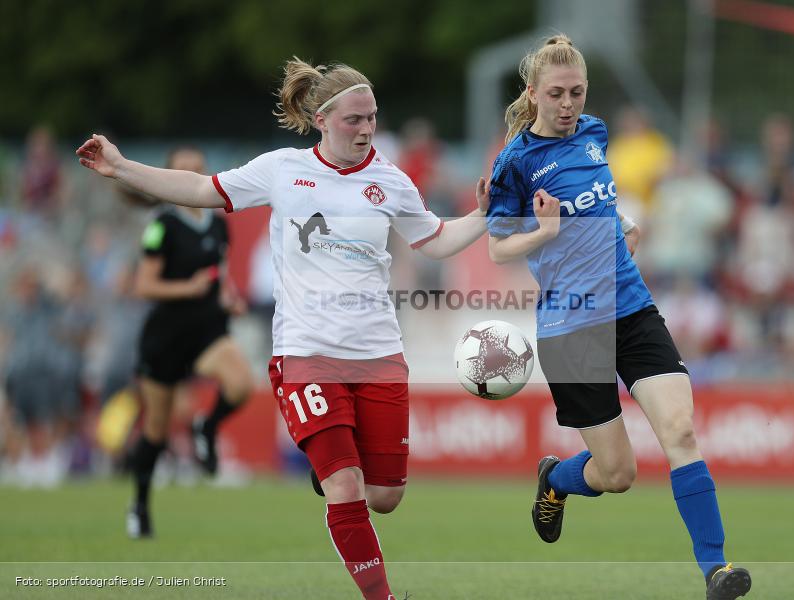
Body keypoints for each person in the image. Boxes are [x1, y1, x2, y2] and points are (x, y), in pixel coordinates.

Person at [77, 58, 488, 600]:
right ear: (322, 119)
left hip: (378, 352)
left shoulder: (390, 181)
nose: (366, 129)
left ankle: (330, 469)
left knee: (384, 495)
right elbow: (199, 188)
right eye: (354, 120)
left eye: (372, 118)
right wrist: (123, 167)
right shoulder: (282, 170)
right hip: (306, 353)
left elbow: (434, 239)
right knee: (346, 487)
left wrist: (483, 215)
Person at [482, 35, 752, 600]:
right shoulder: (514, 163)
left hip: (631, 308)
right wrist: (548, 232)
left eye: (577, 92)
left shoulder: (595, 132)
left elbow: (595, 196)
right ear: (532, 94)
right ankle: (556, 478)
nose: (568, 104)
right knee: (618, 475)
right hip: (570, 328)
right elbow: (499, 249)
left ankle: (717, 571)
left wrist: (621, 221)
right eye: (555, 93)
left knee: (679, 430)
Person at [121, 146, 254, 539]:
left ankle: (206, 428)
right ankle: (140, 505)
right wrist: (188, 287)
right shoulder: (161, 224)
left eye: (196, 170)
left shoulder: (216, 222)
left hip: (208, 330)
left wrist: (228, 296)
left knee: (241, 384)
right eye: (182, 172)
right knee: (156, 430)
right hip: (166, 336)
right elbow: (143, 285)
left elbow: (221, 274)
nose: (190, 178)